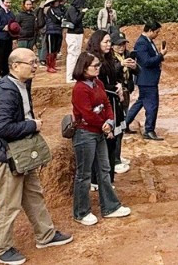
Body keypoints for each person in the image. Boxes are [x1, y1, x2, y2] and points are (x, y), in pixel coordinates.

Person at [0, 48, 72, 264]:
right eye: (31, 62)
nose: (36, 66)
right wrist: (32, 125)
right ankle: (1, 249)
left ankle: (46, 234)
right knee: (8, 203)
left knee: (33, 194)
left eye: (36, 62)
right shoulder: (5, 91)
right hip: (7, 155)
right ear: (15, 66)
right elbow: (2, 128)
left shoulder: (22, 84)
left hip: (21, 152)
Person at [71, 51, 131, 226]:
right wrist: (104, 125)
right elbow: (87, 114)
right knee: (84, 175)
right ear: (84, 68)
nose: (98, 68)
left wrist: (110, 122)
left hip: (99, 132)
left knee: (104, 170)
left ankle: (110, 207)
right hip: (85, 134)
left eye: (99, 65)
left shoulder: (98, 83)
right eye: (95, 65)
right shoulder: (80, 88)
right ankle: (81, 212)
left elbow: (106, 103)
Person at [86, 30, 128, 186]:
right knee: (103, 142)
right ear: (97, 43)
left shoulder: (108, 58)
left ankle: (108, 178)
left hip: (113, 104)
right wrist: (115, 89)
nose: (109, 44)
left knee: (112, 141)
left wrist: (119, 86)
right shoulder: (92, 61)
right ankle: (97, 180)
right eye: (106, 42)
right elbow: (97, 85)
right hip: (101, 107)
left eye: (110, 41)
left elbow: (113, 79)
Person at [126, 21, 167, 140]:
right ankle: (149, 130)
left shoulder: (148, 41)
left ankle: (125, 123)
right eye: (156, 32)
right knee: (152, 105)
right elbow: (146, 62)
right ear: (150, 30)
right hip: (147, 80)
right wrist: (161, 55)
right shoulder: (142, 43)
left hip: (147, 79)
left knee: (140, 102)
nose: (157, 35)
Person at [111, 31, 137, 168]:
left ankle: (117, 156)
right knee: (117, 127)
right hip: (116, 94)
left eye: (123, 44)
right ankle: (114, 160)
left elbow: (137, 72)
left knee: (122, 125)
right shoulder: (109, 57)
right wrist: (121, 65)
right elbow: (110, 73)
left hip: (126, 92)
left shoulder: (127, 55)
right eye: (118, 45)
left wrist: (134, 66)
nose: (121, 47)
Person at [0, 0, 17, 81]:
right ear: (2, 3)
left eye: (10, 2)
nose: (8, 4)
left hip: (8, 38)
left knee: (7, 57)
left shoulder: (11, 13)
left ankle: (5, 75)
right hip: (0, 38)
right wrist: (4, 27)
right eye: (7, 2)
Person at [65, 0, 88, 84]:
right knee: (72, 55)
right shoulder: (72, 9)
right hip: (73, 34)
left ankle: (74, 75)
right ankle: (69, 77)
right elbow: (75, 21)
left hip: (77, 34)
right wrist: (82, 13)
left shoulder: (75, 9)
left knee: (76, 55)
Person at [43, 0, 66, 74]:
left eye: (58, 1)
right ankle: (49, 66)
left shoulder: (61, 9)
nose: (57, 3)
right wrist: (62, 20)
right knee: (51, 49)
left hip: (58, 31)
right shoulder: (50, 10)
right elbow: (55, 19)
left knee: (56, 49)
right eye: (56, 1)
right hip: (51, 31)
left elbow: (64, 17)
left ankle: (53, 65)